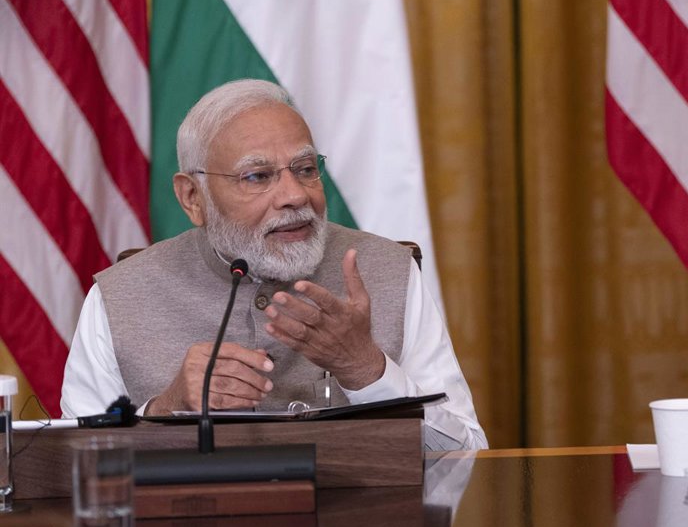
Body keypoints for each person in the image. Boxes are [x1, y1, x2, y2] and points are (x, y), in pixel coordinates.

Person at [60, 79, 487, 450]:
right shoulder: (119, 297)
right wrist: (165, 409)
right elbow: (72, 472)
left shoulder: (389, 271)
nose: (295, 195)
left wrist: (368, 372)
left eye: (305, 169)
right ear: (193, 197)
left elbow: (466, 456)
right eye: (257, 176)